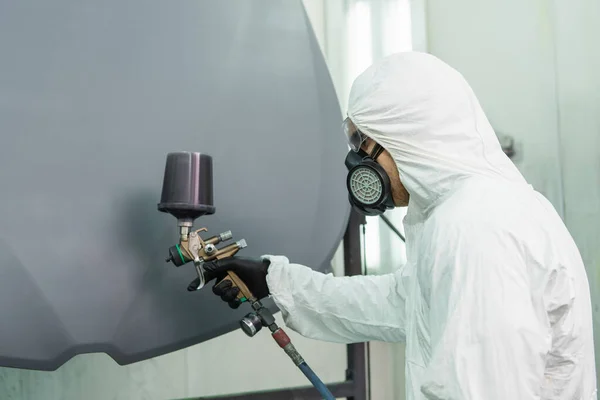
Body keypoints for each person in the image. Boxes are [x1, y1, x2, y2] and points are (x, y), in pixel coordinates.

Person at [198, 52, 597, 399]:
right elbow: (405, 303)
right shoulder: (475, 210)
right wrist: (277, 281)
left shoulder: (476, 228)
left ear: (405, 137)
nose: (357, 162)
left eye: (363, 143)